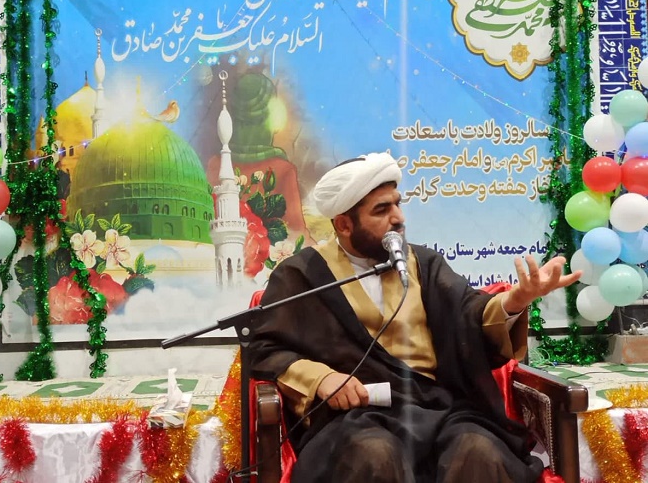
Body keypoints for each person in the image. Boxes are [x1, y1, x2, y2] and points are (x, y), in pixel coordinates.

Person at [248, 152, 581, 483]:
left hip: (438, 408)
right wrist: (321, 379)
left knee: (478, 450)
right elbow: (266, 349)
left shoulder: (424, 264)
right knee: (375, 454)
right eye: (382, 210)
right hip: (355, 418)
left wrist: (515, 301)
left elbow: (469, 313)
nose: (398, 218)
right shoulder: (302, 275)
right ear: (344, 224)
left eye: (397, 204)